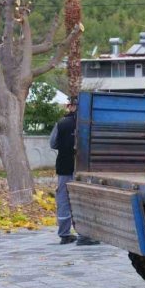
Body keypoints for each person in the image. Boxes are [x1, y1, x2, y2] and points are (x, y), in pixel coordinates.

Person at [49, 98, 98, 246]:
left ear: (70, 107)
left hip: (65, 168)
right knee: (83, 201)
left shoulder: (62, 123)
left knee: (64, 200)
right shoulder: (90, 124)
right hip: (85, 170)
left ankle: (65, 235)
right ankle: (84, 236)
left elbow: (53, 143)